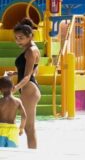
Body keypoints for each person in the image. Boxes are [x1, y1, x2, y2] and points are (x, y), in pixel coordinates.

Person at [5, 18, 41, 149]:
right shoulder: (31, 49)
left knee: (29, 128)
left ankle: (33, 155)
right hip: (29, 88)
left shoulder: (31, 50)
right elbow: (33, 70)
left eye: (20, 38)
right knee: (28, 128)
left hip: (29, 89)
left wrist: (14, 88)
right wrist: (14, 74)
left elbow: (27, 76)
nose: (17, 41)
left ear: (30, 36)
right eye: (16, 38)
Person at [0, 76, 27, 148]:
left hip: (0, 128)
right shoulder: (17, 101)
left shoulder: (0, 101)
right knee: (11, 152)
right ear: (13, 87)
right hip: (13, 129)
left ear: (0, 90)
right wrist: (21, 128)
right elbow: (24, 116)